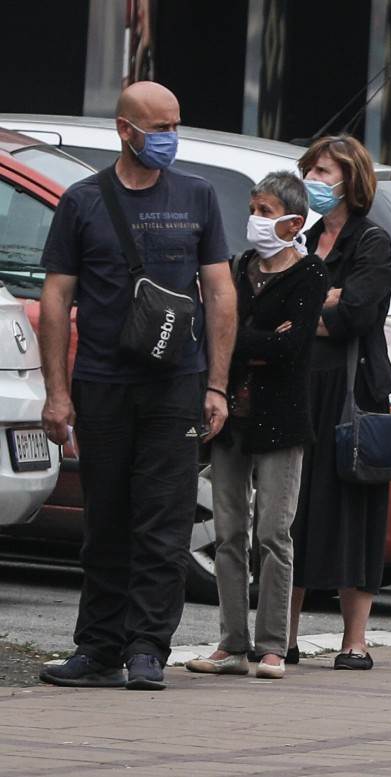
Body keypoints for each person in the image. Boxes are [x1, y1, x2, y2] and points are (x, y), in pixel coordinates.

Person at [37, 81, 235, 690]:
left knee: (165, 520)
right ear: (126, 130)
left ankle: (148, 648)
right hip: (100, 383)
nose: (171, 138)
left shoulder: (198, 197)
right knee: (107, 519)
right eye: (159, 128)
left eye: (176, 124)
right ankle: (97, 649)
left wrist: (217, 385)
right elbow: (55, 299)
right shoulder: (82, 201)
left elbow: (221, 294)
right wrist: (57, 392)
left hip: (176, 385)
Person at [185, 173, 327, 680]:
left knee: (274, 532)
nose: (256, 220)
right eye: (254, 209)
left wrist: (240, 336)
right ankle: (231, 642)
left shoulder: (311, 273)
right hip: (229, 415)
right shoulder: (239, 266)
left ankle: (271, 645)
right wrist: (256, 337)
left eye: (266, 211)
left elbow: (293, 349)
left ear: (293, 220)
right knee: (228, 532)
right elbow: (210, 328)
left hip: (282, 419)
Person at [288, 134, 391, 671]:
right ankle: (278, 635)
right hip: (300, 387)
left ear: (352, 182)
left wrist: (312, 308)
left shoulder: (372, 242)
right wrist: (321, 303)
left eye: (325, 172)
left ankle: (354, 639)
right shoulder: (302, 238)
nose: (314, 181)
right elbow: (270, 306)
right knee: (292, 509)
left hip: (354, 391)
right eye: (310, 171)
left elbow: (356, 314)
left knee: (354, 510)